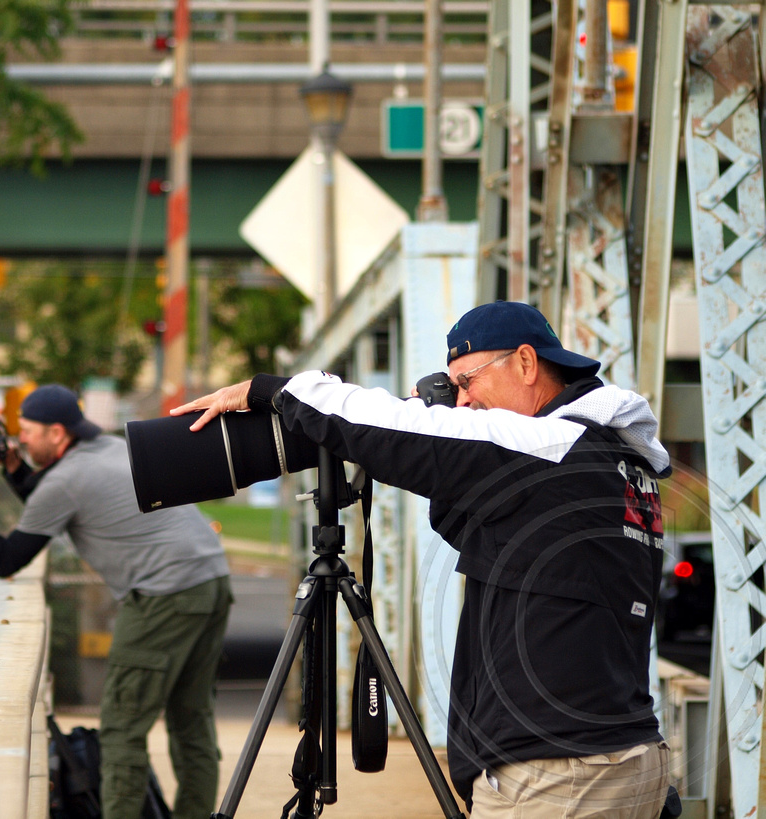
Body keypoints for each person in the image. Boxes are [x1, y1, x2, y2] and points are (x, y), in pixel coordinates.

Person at [171, 301, 671, 818]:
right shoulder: (612, 461)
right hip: (610, 759)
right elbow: (471, 525)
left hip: (561, 777)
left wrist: (275, 391)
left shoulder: (551, 443)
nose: (465, 401)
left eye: (468, 381)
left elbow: (387, 428)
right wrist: (449, 425)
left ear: (526, 363)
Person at [0, 384, 232, 819]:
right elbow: (51, 506)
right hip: (212, 579)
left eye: (27, 432)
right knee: (191, 720)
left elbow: (8, 559)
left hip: (163, 596)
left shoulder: (63, 481)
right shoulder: (106, 447)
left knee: (123, 729)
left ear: (57, 433)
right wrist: (12, 465)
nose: (20, 440)